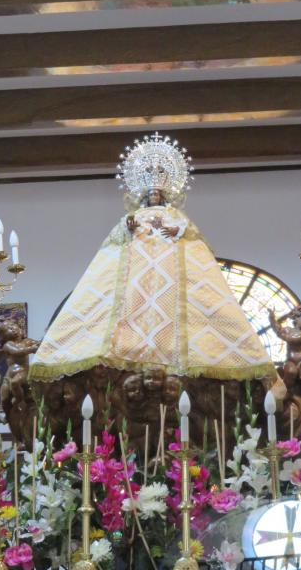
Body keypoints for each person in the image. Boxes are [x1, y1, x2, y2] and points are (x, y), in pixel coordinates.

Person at [29, 132, 277, 385]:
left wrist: (173, 230)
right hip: (138, 264)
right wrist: (129, 227)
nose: (154, 197)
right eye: (151, 194)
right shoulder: (136, 215)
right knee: (129, 299)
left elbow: (188, 231)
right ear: (145, 196)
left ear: (164, 195)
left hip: (171, 263)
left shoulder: (174, 214)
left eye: (158, 194)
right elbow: (120, 235)